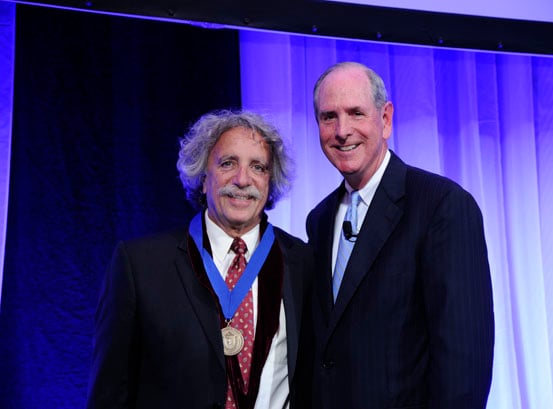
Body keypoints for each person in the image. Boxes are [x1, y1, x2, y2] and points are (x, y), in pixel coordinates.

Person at [87, 110, 312, 409]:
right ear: (204, 179)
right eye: (228, 163)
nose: (243, 179)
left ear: (270, 182)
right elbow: (109, 396)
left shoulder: (303, 264)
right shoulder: (140, 267)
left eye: (258, 167)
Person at [306, 61, 494, 408]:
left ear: (386, 119)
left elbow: (464, 365)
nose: (342, 130)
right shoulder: (318, 220)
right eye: (328, 117)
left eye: (356, 113)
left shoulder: (442, 206)